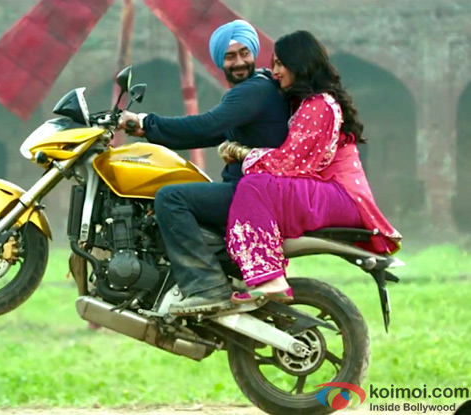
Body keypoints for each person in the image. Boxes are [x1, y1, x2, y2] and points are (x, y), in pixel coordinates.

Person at [117, 20, 289, 315]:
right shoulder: (254, 90)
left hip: (252, 193)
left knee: (170, 198)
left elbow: (206, 125)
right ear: (220, 61)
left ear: (254, 53)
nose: (238, 62)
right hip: (255, 190)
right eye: (230, 56)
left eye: (244, 53)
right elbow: (207, 134)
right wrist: (147, 131)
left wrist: (146, 122)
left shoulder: (253, 91)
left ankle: (206, 286)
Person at [219, 30, 402, 303]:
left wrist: (240, 152)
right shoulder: (308, 102)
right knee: (255, 186)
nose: (275, 72)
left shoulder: (319, 105)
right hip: (332, 192)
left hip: (341, 196)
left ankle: (270, 280)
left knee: (254, 186)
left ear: (299, 64)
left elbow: (290, 163)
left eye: (280, 64)